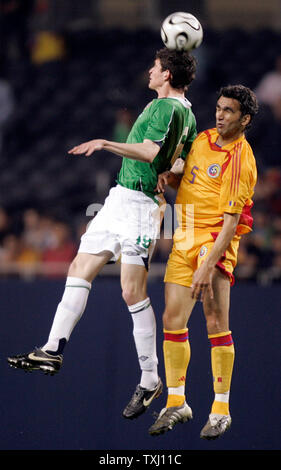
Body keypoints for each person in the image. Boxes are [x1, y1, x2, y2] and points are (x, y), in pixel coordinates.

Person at [7, 47, 197, 420]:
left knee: (131, 290)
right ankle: (51, 349)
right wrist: (166, 171)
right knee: (79, 267)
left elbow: (147, 150)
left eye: (155, 67)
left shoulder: (165, 108)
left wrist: (106, 142)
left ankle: (149, 378)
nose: (149, 70)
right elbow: (179, 162)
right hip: (119, 199)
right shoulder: (187, 112)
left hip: (140, 206)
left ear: (167, 75)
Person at [148, 85, 258, 439]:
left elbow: (230, 222)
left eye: (229, 111)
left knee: (215, 322)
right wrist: (170, 176)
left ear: (245, 120)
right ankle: (177, 402)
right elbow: (189, 177)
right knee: (172, 319)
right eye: (219, 108)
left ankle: (221, 409)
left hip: (215, 242)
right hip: (184, 236)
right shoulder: (203, 139)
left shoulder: (242, 158)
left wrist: (208, 264)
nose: (220, 115)